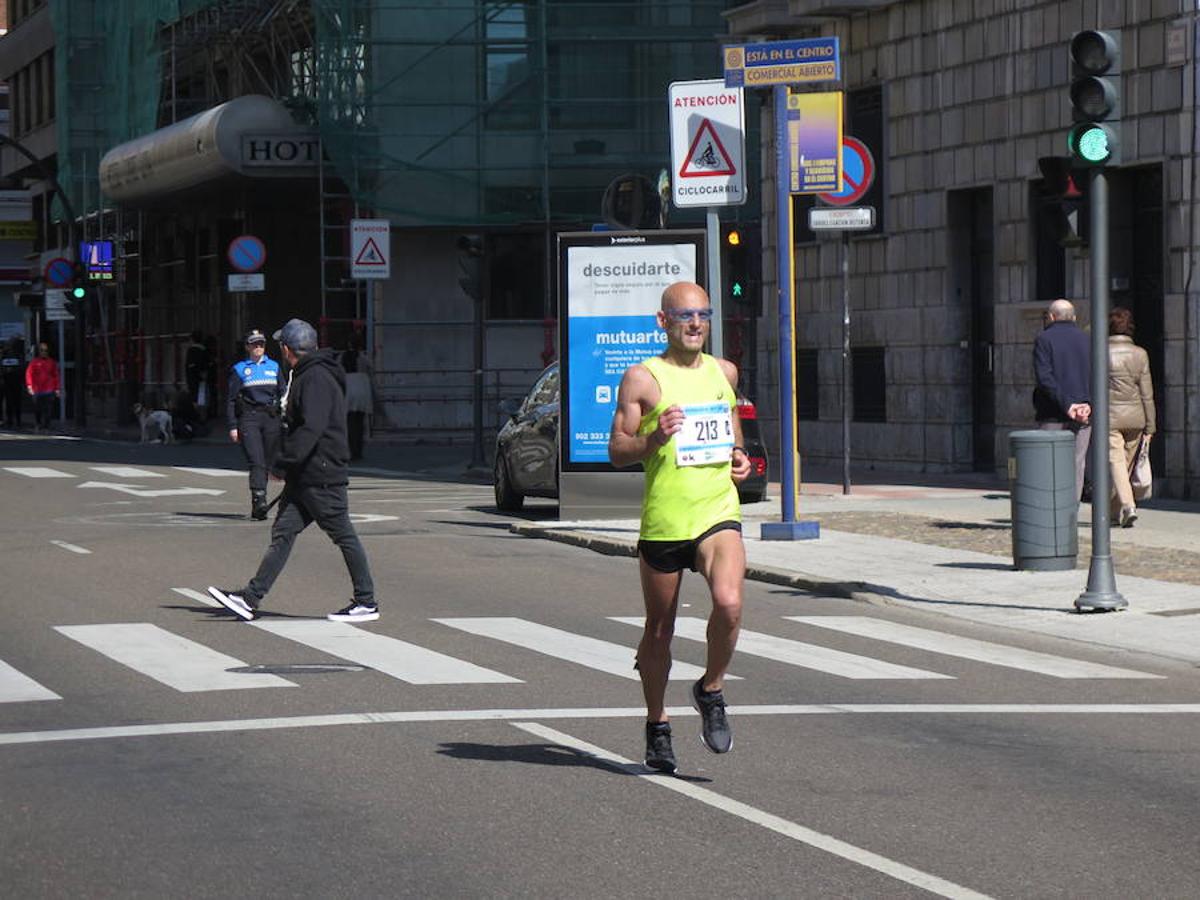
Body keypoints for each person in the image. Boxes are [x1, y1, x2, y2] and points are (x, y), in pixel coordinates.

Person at [607, 281, 751, 774]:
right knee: (659, 630)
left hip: (716, 511)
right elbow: (617, 449)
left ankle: (711, 688)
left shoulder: (723, 371)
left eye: (703, 315)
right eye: (685, 316)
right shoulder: (642, 380)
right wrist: (652, 439)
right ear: (662, 321)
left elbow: (733, 429)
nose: (695, 324)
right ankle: (657, 723)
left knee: (729, 603)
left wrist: (740, 458)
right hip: (666, 519)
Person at [208, 318, 378, 624]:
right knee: (283, 532)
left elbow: (311, 427)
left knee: (343, 534)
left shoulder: (314, 378)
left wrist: (283, 464)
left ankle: (366, 601)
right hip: (308, 474)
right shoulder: (309, 373)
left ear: (287, 349)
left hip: (321, 473)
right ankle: (250, 598)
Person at [1033, 298, 1092, 501]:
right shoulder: (1088, 339)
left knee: (1049, 463)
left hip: (1052, 412)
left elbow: (1045, 378)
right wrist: (1086, 405)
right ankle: (1071, 510)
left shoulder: (1044, 339)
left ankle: (1051, 509)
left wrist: (1067, 404)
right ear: (1074, 317)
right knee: (1077, 463)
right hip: (1084, 414)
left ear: (1051, 317)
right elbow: (1098, 375)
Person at [225, 329, 285, 520]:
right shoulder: (240, 369)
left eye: (261, 344)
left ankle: (263, 495)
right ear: (247, 347)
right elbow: (231, 400)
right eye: (254, 344)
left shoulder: (274, 366)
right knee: (256, 460)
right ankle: (259, 500)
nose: (258, 347)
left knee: (268, 460)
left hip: (271, 417)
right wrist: (233, 425)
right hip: (249, 418)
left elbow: (284, 392)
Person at [1107, 307, 1155, 528]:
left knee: (1116, 463)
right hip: (1136, 417)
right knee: (1124, 465)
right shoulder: (1140, 354)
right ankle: (1114, 513)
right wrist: (1150, 425)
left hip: (1111, 416)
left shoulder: (1101, 352)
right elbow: (1147, 393)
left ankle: (1128, 505)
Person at [340, 334, 374, 461]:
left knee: (348, 422)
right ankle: (358, 450)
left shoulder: (341, 357)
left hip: (348, 387)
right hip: (361, 387)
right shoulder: (363, 358)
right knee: (359, 422)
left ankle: (349, 449)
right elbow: (371, 370)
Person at [25, 342, 61, 433]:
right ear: (39, 352)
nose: (44, 352)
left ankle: (47, 426)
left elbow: (56, 375)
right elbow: (29, 374)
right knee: (38, 409)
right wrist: (29, 386)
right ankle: (38, 423)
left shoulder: (51, 362)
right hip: (37, 390)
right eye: (42, 350)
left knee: (48, 409)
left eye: (45, 350)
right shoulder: (34, 362)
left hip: (49, 389)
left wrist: (57, 388)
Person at [1, 335, 25, 428]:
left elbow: (22, 367)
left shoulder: (19, 355)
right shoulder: (4, 354)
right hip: (7, 381)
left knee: (16, 401)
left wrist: (14, 371)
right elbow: (2, 366)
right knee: (9, 401)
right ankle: (10, 420)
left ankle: (17, 420)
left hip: (16, 380)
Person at [184, 330, 210, 410]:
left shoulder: (191, 350)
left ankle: (196, 411)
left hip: (192, 376)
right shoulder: (204, 349)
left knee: (194, 395)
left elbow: (189, 365)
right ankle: (202, 412)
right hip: (202, 375)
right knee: (202, 395)